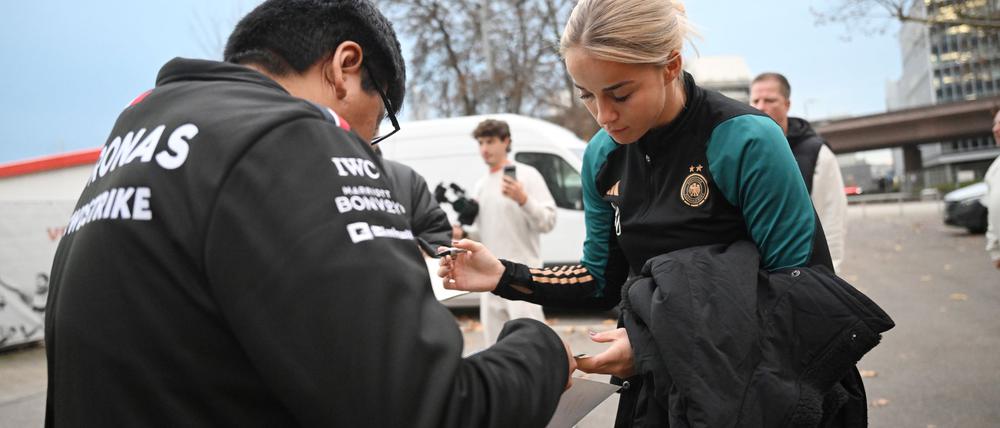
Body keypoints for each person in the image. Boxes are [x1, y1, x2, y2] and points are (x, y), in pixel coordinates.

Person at [44, 1, 574, 426]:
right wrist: (542, 349)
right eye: (379, 121)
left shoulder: (138, 136)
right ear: (345, 68)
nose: (369, 146)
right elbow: (429, 409)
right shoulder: (294, 136)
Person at [438, 0, 878, 425]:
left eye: (620, 94)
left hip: (763, 390)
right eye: (587, 95)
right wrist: (504, 275)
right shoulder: (602, 156)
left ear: (670, 65)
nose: (603, 115)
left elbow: (799, 293)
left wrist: (653, 344)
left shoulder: (744, 140)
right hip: (660, 396)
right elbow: (600, 279)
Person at [466, 119, 556, 346]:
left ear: (506, 141)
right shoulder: (481, 185)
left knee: (531, 346)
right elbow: (483, 234)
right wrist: (462, 235)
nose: (484, 149)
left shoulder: (527, 175)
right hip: (489, 279)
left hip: (523, 276)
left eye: (490, 141)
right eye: (480, 143)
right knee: (495, 348)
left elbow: (548, 221)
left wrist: (523, 199)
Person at [751, 72, 848, 272]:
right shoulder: (745, 151)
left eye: (769, 100)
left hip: (804, 272)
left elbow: (832, 217)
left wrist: (831, 274)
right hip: (755, 273)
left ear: (787, 104)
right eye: (755, 101)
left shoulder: (817, 153)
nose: (760, 107)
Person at [984, 109, 1000, 269]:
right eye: (995, 123)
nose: (995, 129)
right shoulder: (995, 169)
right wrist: (995, 249)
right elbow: (993, 212)